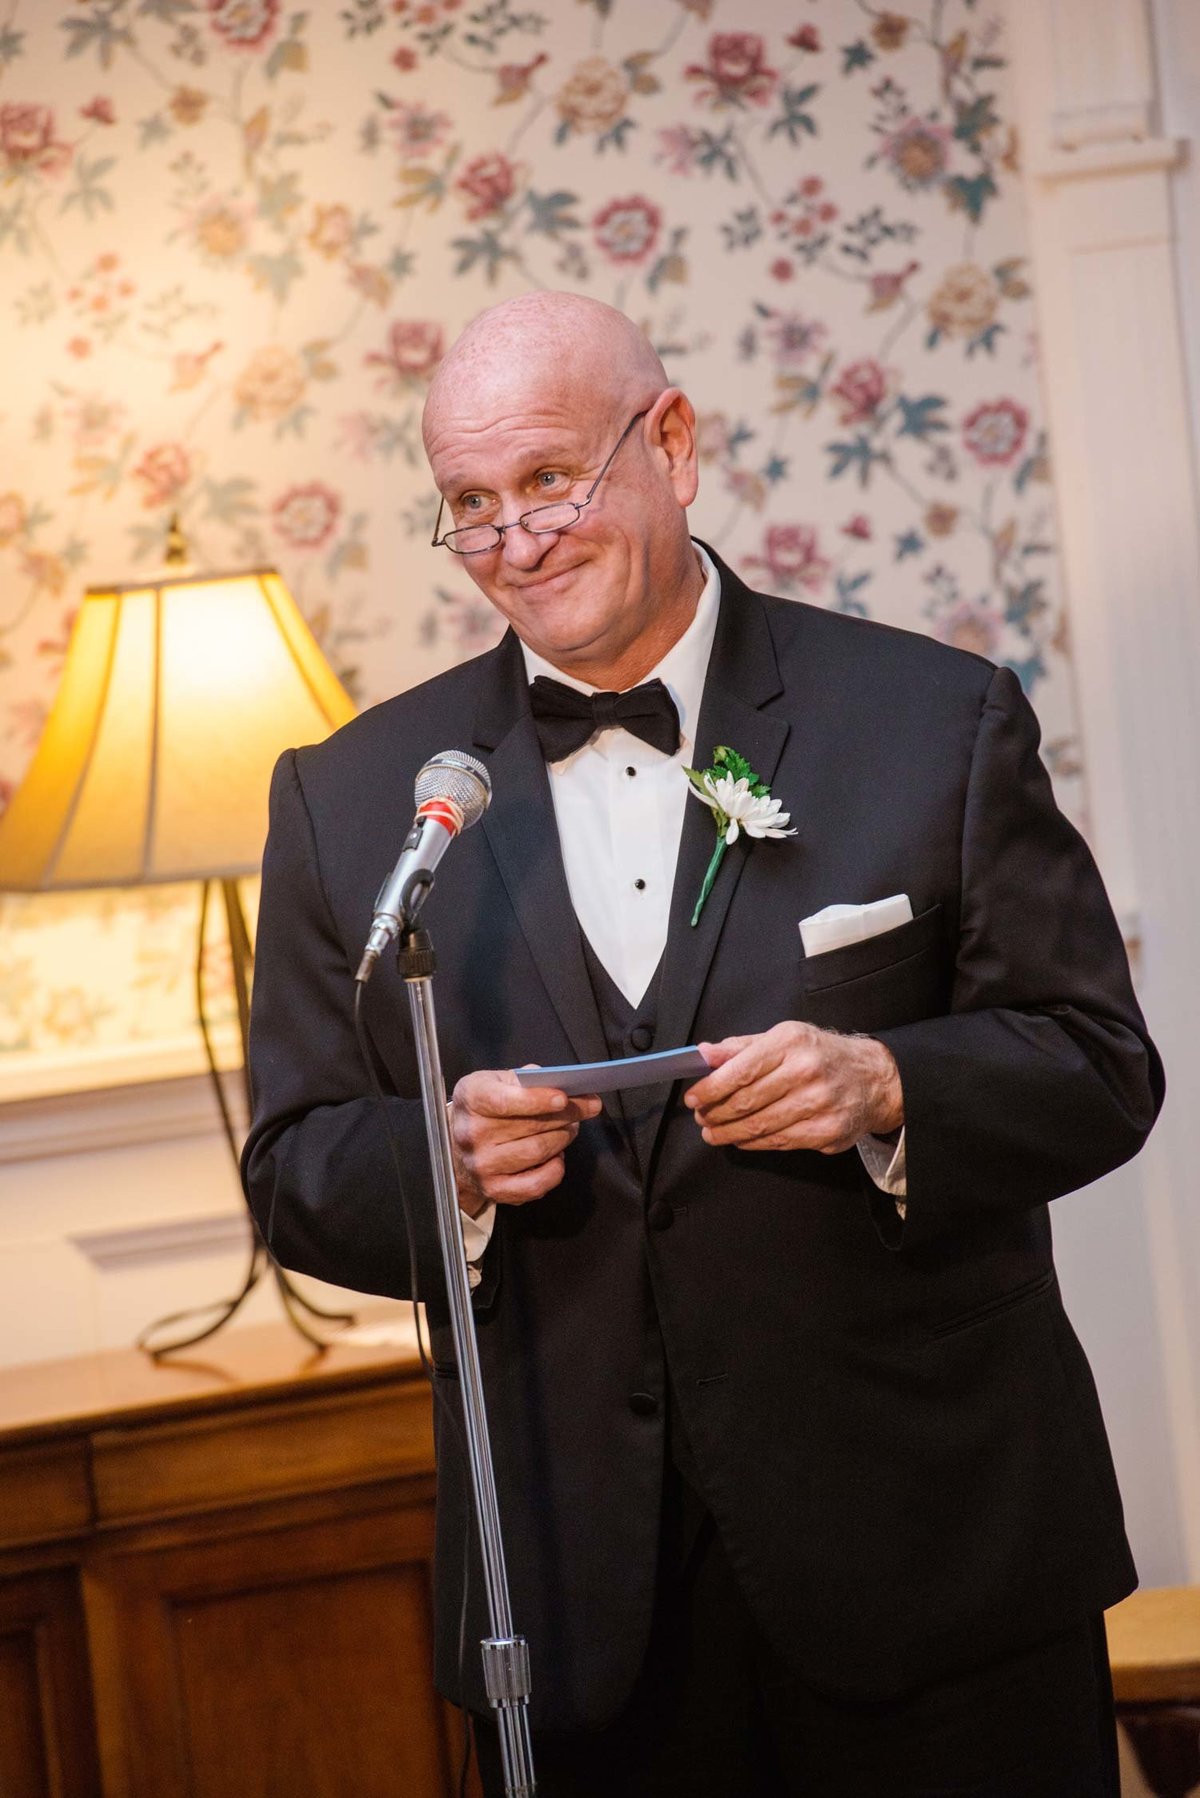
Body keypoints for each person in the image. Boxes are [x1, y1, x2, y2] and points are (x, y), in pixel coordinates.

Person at [241, 291, 1163, 1797]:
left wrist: (889, 1086)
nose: (514, 538)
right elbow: (293, 1167)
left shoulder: (938, 720)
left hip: (937, 1570)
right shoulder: (356, 803)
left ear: (672, 442)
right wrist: (449, 1162)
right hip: (576, 1608)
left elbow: (1100, 1064)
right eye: (468, 504)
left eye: (549, 478)